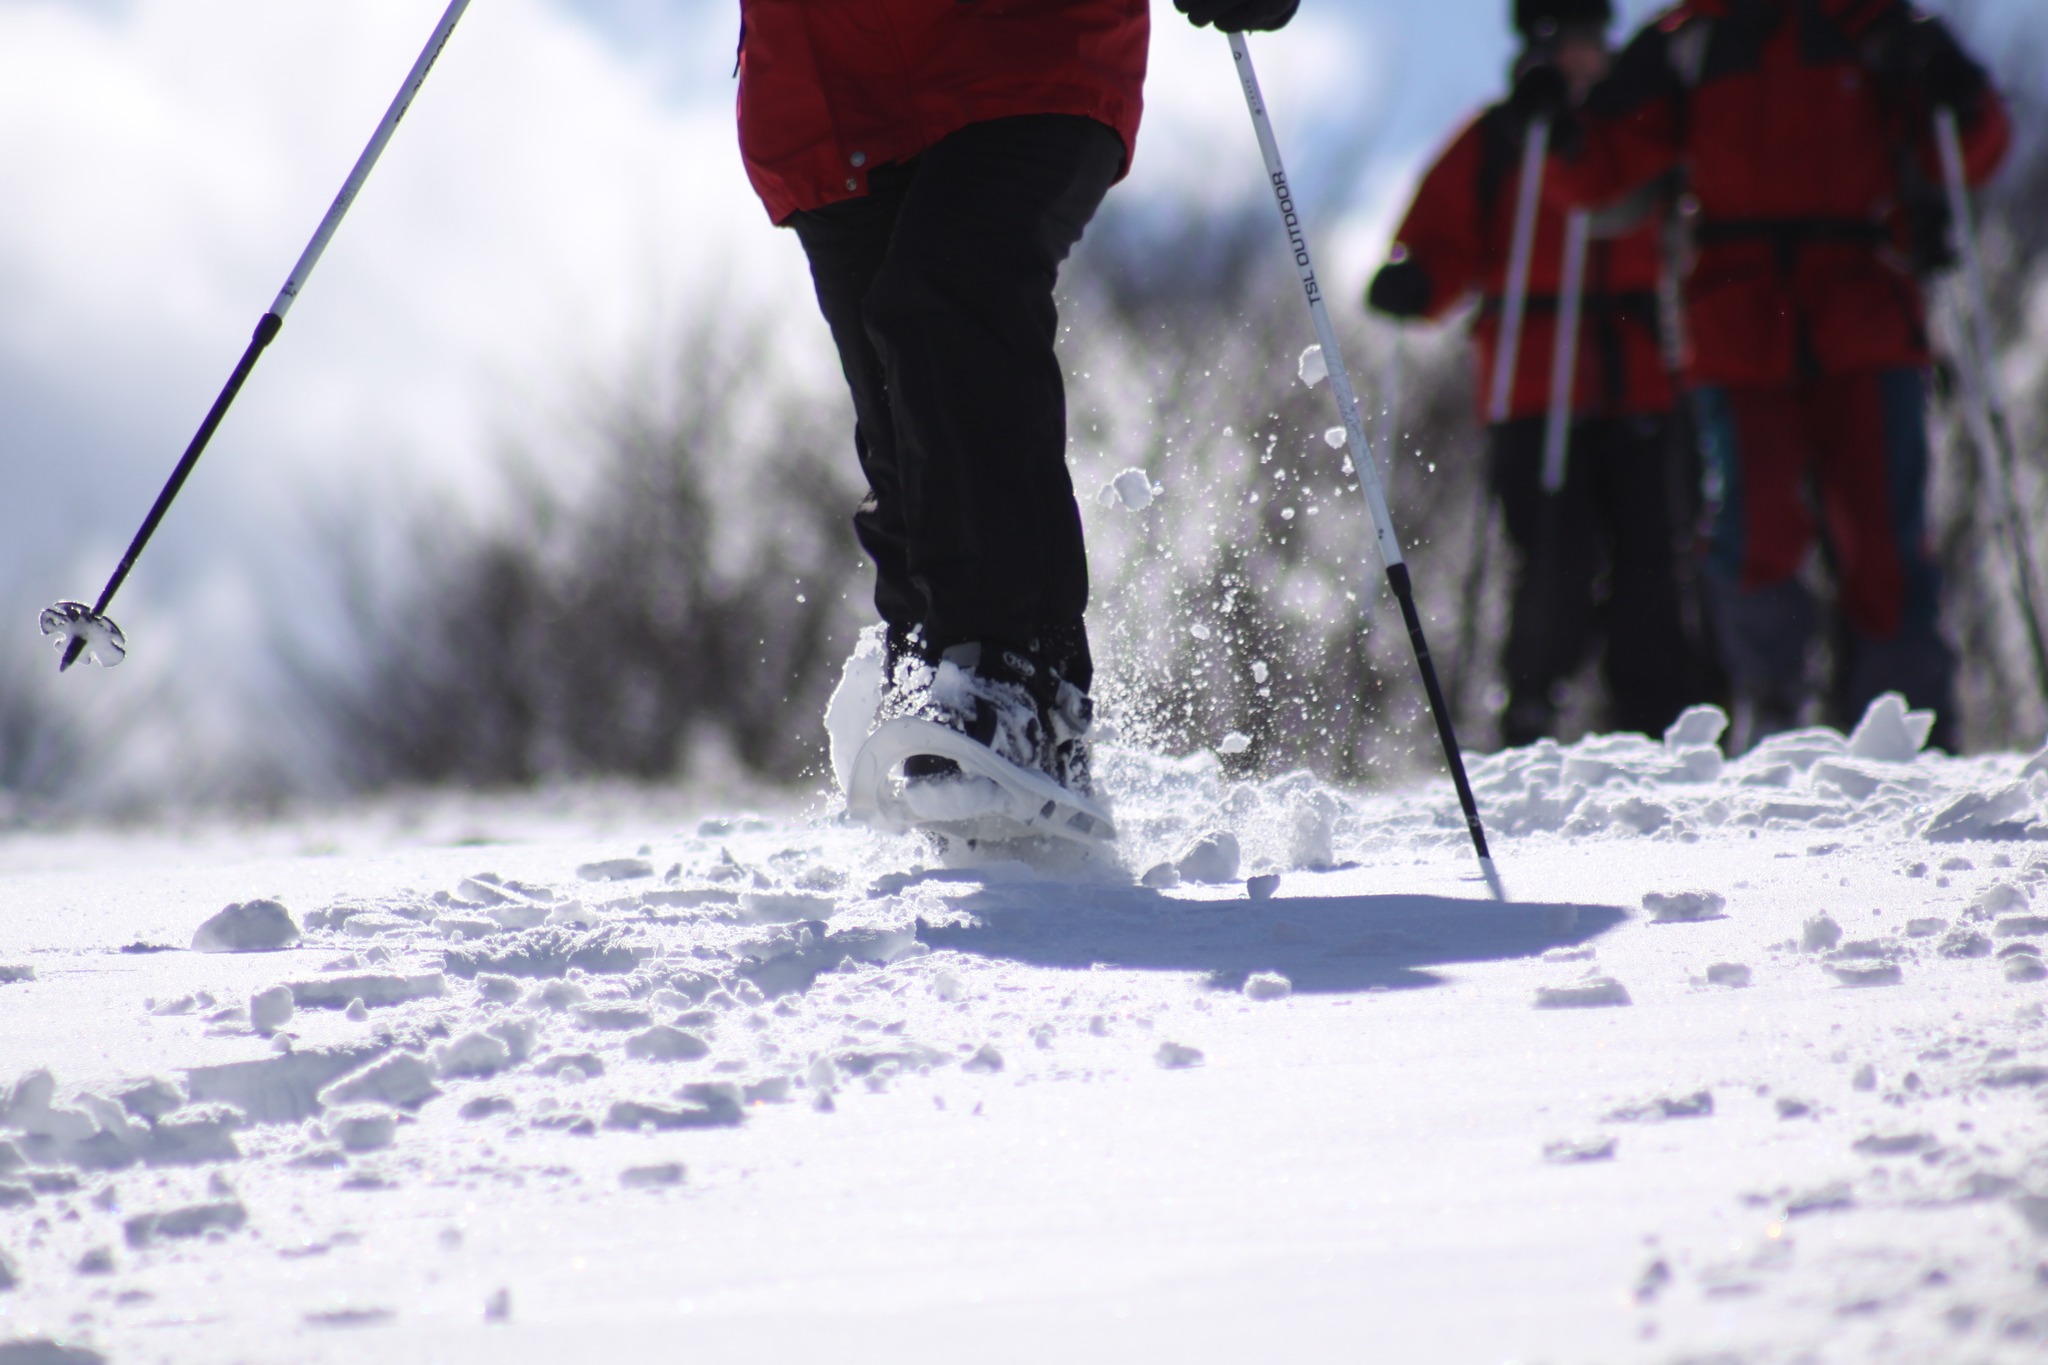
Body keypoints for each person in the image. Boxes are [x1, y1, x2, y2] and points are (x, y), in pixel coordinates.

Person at [734, 0, 1297, 799]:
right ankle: (941, 682)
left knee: (941, 292)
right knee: (902, 416)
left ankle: (1007, 676)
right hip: (830, 81)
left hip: (1019, 40)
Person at [1515, 0, 2011, 751]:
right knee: (1753, 529)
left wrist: (1961, 94)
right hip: (1740, 325)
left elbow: (1972, 146)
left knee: (1883, 528)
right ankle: (1773, 709)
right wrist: (1556, 127)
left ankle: (1907, 719)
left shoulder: (1881, 28)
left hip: (1864, 311)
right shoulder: (1689, 41)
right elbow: (1601, 170)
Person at [1368, 0, 1696, 748]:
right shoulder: (1500, 136)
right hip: (1532, 381)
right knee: (1552, 557)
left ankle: (1657, 723)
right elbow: (1444, 236)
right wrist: (1418, 280)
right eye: (1566, 41)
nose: (1582, 57)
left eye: (1590, 40)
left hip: (1640, 379)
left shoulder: (1634, 124)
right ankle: (1533, 710)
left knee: (1653, 561)